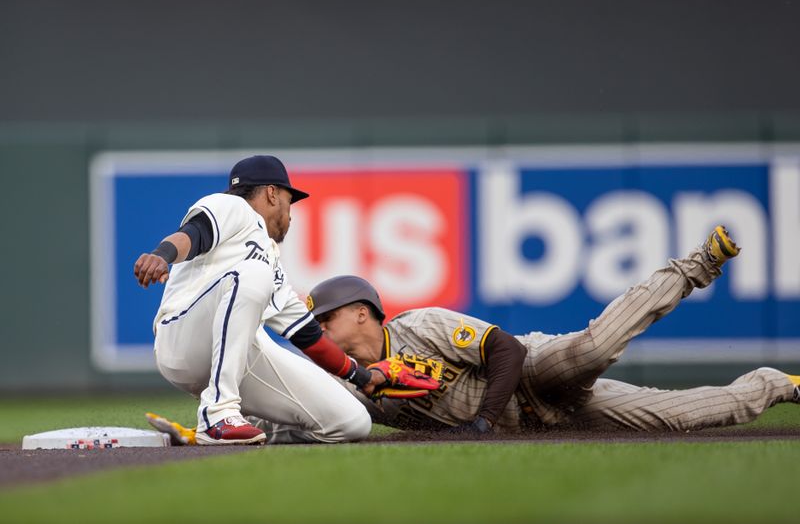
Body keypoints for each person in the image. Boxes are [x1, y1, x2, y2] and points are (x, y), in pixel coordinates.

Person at [304, 226, 800, 434]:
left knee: (595, 347)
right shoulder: (356, 386)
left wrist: (484, 420)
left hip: (533, 374)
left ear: (362, 311)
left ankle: (697, 265)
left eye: (326, 317)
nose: (320, 328)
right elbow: (313, 417)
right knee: (680, 417)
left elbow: (504, 350)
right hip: (548, 421)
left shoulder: (420, 325)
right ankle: (781, 384)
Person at [134, 155, 384, 445]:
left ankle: (228, 428)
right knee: (253, 274)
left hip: (236, 354)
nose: (290, 214)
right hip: (183, 339)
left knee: (350, 422)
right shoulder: (231, 206)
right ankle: (217, 415)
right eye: (290, 202)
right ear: (272, 193)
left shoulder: (271, 262)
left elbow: (308, 336)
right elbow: (194, 234)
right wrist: (162, 255)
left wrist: (363, 378)